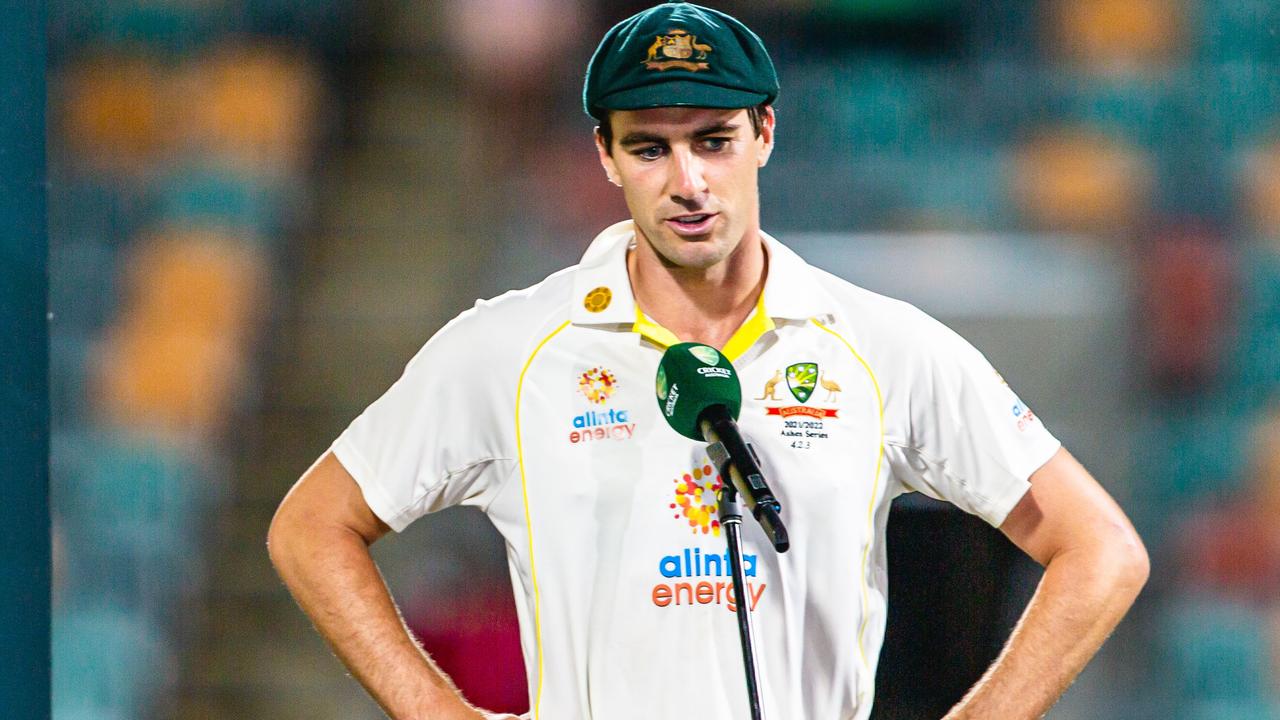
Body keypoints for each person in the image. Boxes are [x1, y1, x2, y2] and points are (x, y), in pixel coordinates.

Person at [267, 4, 1149, 719]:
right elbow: (311, 526)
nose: (687, 181)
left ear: (765, 132)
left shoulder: (879, 345)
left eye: (713, 140)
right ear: (606, 155)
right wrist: (436, 712)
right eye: (651, 147)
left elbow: (1102, 550)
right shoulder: (507, 349)